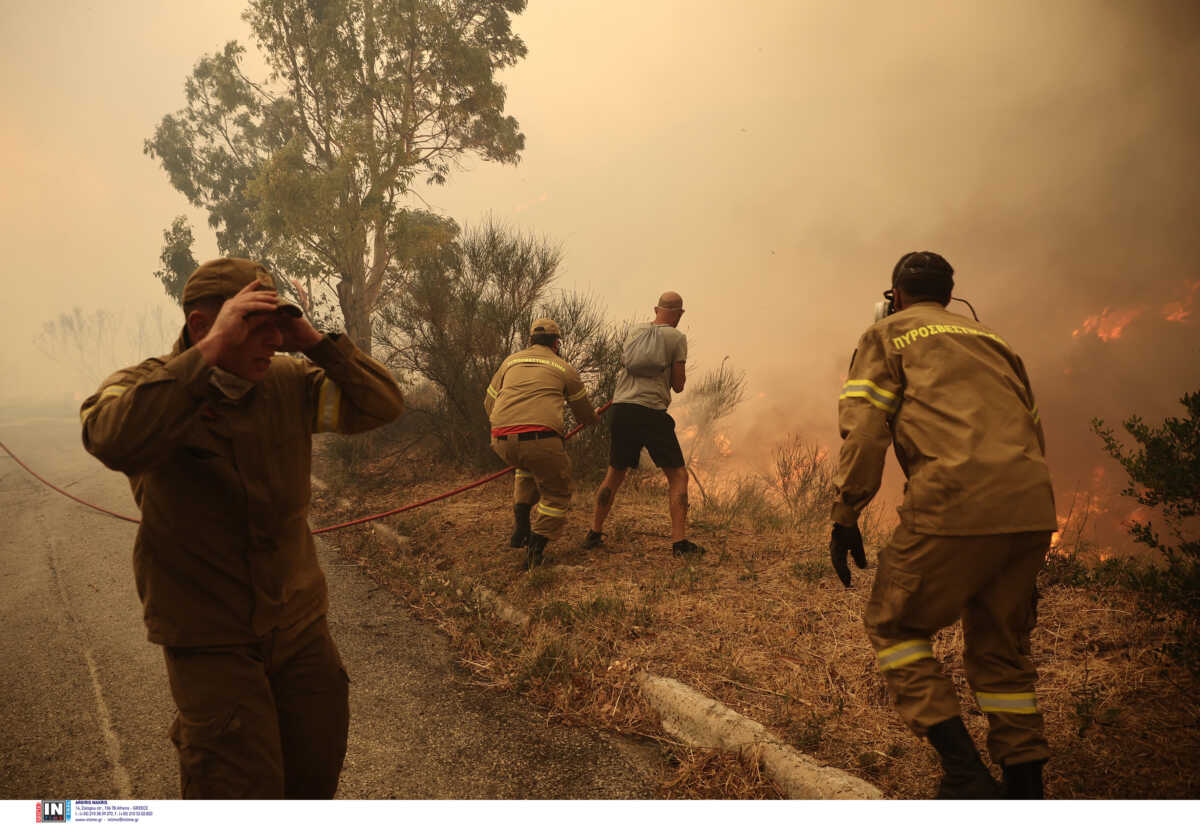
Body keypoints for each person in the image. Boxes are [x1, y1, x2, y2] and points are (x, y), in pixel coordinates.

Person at [80, 257, 404, 799]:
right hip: (210, 636)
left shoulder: (288, 382)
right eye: (257, 325)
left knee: (314, 772)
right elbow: (111, 439)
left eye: (280, 324)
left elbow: (382, 404)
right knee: (236, 786)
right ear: (206, 325)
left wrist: (317, 341)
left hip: (297, 625)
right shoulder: (146, 388)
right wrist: (204, 357)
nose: (274, 341)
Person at [829, 252, 1057, 799]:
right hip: (1030, 506)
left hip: (954, 499)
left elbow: (864, 433)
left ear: (897, 294)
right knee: (1001, 650)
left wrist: (846, 512)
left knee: (894, 626)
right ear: (950, 296)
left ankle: (964, 774)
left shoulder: (887, 334)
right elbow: (1033, 432)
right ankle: (1024, 789)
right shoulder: (995, 341)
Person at [584, 291, 704, 556]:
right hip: (651, 412)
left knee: (615, 473)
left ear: (655, 309)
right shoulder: (677, 338)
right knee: (677, 476)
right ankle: (679, 543)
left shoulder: (636, 331)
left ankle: (594, 532)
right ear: (680, 314)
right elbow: (679, 384)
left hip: (621, 409)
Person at [484, 317, 599, 569]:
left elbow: (488, 402)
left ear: (529, 341)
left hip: (500, 439)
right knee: (557, 492)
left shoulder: (509, 361)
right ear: (556, 344)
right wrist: (594, 418)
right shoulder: (563, 368)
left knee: (526, 468)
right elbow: (584, 415)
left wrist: (505, 424)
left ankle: (521, 526)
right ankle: (536, 549)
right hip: (540, 439)